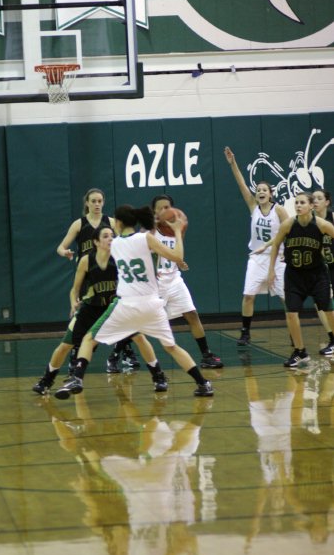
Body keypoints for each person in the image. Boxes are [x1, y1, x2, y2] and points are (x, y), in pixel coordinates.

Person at [54, 204, 214, 399]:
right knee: (171, 347)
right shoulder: (146, 239)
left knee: (89, 338)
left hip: (127, 305)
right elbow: (178, 257)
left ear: (118, 223)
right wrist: (177, 232)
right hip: (152, 305)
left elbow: (100, 253)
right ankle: (203, 383)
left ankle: (77, 377)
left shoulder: (115, 244)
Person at [32, 224, 168, 394]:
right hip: (91, 308)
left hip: (116, 308)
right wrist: (73, 302)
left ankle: (158, 377)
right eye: (105, 236)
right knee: (65, 345)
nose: (110, 238)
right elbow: (74, 289)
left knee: (139, 338)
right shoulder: (86, 260)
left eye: (112, 235)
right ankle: (47, 381)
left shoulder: (120, 258)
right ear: (96, 241)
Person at [56, 187, 140, 374]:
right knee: (89, 319)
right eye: (93, 201)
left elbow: (124, 244)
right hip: (89, 275)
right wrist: (66, 253)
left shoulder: (110, 222)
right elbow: (60, 247)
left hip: (110, 272)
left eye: (99, 201)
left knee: (119, 312)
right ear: (87, 203)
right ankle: (78, 354)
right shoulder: (79, 224)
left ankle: (124, 351)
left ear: (103, 202)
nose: (96, 204)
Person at [224, 146, 289, 346]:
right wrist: (233, 163)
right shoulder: (253, 206)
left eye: (264, 190)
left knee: (287, 299)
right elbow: (241, 183)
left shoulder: (279, 210)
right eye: (258, 190)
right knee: (248, 295)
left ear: (271, 194)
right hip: (257, 258)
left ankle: (293, 331)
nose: (260, 192)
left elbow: (287, 233)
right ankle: (245, 332)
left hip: (277, 257)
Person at [152, 194, 224, 369]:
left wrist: (179, 262)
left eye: (167, 207)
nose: (164, 210)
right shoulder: (149, 231)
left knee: (192, 315)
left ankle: (206, 354)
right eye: (160, 208)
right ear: (154, 212)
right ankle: (119, 354)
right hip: (156, 283)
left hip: (175, 279)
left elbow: (175, 253)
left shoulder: (178, 228)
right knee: (143, 321)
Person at [268, 192, 334, 368]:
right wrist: (271, 271)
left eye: (302, 202)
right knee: (291, 313)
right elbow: (275, 244)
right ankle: (300, 351)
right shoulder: (288, 224)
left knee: (328, 310)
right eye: (296, 202)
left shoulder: (322, 225)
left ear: (311, 206)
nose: (298, 205)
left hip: (317, 274)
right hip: (294, 275)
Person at [312, 189, 334, 354]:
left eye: (319, 198)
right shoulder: (310, 222)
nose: (316, 201)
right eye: (313, 198)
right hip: (321, 268)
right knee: (321, 303)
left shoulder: (332, 218)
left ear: (327, 202)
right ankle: (332, 339)